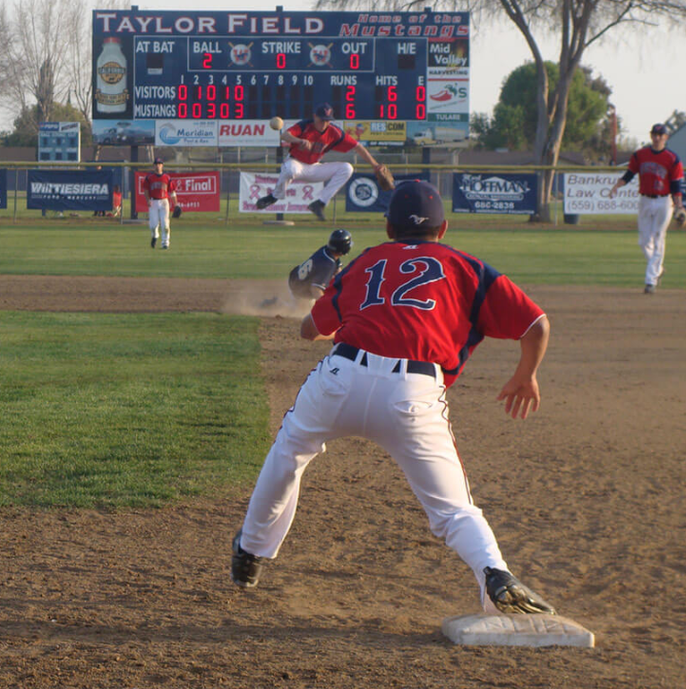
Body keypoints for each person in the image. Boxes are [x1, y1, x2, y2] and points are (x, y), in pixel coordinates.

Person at [231, 181, 557, 616]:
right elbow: (536, 324)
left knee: (290, 450)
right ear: (443, 229)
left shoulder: (367, 260)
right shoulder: (467, 266)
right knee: (454, 510)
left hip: (342, 378)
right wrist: (525, 375)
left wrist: (321, 306)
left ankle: (250, 553)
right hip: (414, 393)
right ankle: (494, 573)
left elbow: (311, 329)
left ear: (388, 227)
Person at [255, 103, 385, 221]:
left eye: (327, 120)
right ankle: (274, 197)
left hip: (315, 168)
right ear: (315, 116)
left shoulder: (335, 132)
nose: (324, 123)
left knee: (347, 168)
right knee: (289, 169)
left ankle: (320, 203)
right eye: (322, 119)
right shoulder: (305, 125)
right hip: (297, 164)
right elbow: (284, 136)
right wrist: (299, 140)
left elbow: (358, 147)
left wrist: (375, 165)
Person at [609, 123, 686, 294]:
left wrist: (679, 205)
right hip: (645, 199)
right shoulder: (640, 155)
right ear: (651, 136)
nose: (657, 137)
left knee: (659, 238)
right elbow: (629, 174)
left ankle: (650, 281)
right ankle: (658, 269)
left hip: (664, 201)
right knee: (644, 241)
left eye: (660, 135)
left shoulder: (672, 158)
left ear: (666, 137)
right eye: (655, 134)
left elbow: (676, 185)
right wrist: (617, 185)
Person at [260, 229, 353, 310]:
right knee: (303, 313)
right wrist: (328, 306)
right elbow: (315, 289)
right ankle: (277, 304)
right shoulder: (328, 265)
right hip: (300, 290)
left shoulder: (327, 251)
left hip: (297, 277)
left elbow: (337, 268)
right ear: (344, 249)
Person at [144, 157, 177, 249]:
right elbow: (146, 190)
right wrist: (147, 200)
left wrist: (176, 204)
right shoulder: (149, 177)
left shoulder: (167, 177)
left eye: (160, 164)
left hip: (164, 202)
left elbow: (172, 191)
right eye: (156, 164)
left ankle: (165, 243)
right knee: (153, 225)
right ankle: (155, 236)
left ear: (162, 165)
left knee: (165, 224)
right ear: (153, 166)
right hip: (153, 201)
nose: (158, 166)